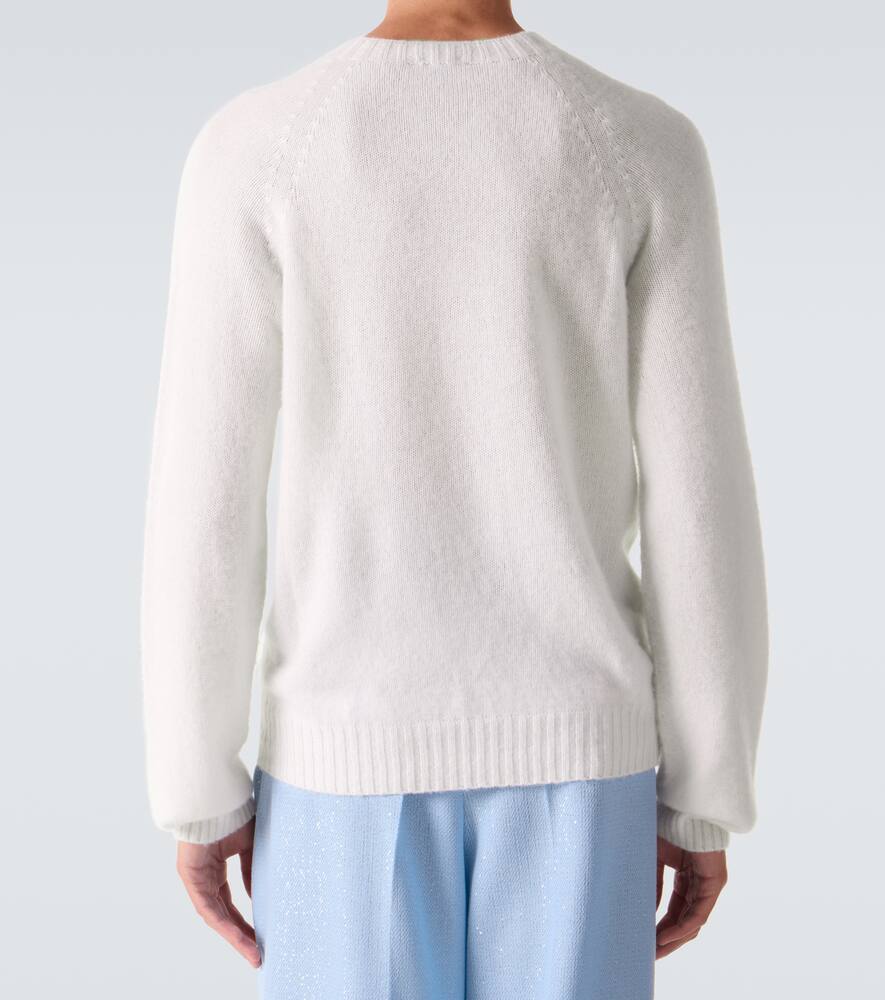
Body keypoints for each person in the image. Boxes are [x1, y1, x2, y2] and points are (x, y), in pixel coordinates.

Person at [140, 1, 769, 996]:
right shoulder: (640, 145)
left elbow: (203, 503)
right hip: (583, 764)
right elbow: (701, 500)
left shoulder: (256, 147)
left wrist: (197, 787)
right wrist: (704, 791)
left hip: (338, 767)